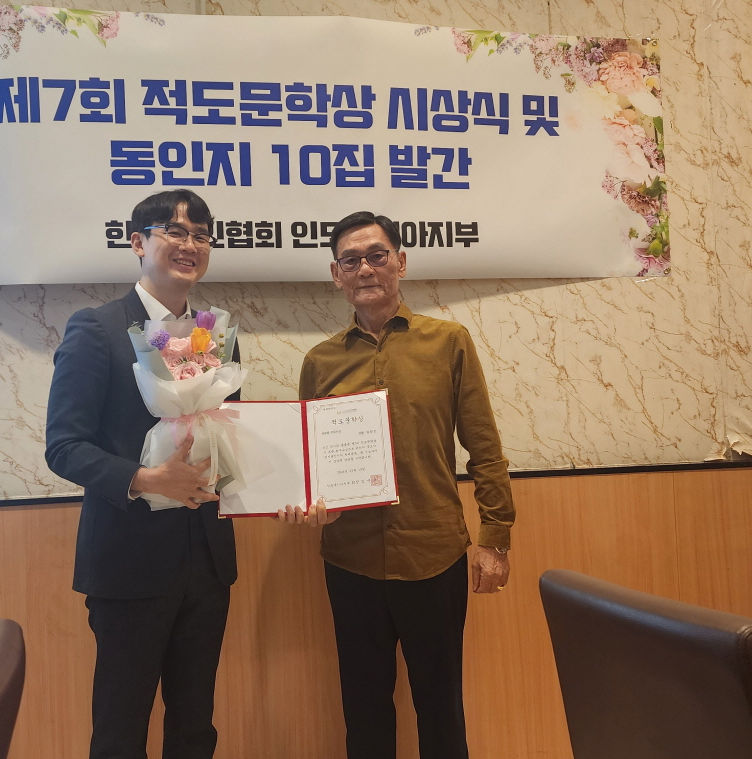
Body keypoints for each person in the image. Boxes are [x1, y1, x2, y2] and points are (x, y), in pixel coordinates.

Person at [281, 210, 515, 759]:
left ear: (401, 263)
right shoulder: (320, 362)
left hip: (433, 551)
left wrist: (496, 538)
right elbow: (309, 461)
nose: (365, 269)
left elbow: (484, 446)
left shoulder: (449, 342)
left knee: (441, 706)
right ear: (336, 274)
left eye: (377, 255)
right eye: (350, 260)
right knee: (363, 709)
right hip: (350, 557)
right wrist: (306, 501)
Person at [45, 189, 236, 759]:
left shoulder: (212, 334)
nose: (189, 244)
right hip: (128, 564)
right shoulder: (97, 329)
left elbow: (229, 434)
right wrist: (147, 479)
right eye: (174, 231)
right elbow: (64, 447)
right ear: (137, 242)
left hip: (207, 563)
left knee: (195, 729)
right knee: (120, 731)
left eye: (200, 235)